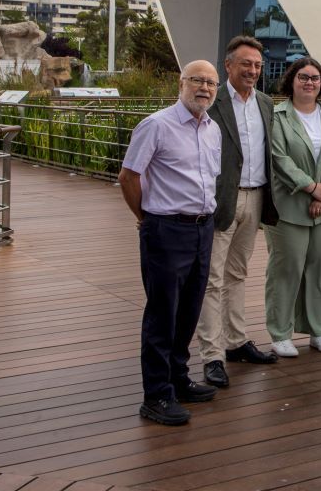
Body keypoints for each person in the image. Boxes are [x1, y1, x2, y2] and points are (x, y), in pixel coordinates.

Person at [118, 60, 223, 426]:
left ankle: (178, 378)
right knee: (163, 313)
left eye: (211, 83)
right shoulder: (156, 125)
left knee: (190, 308)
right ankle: (156, 395)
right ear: (181, 83)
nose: (205, 89)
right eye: (198, 81)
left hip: (202, 229)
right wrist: (146, 219)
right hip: (166, 230)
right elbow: (129, 176)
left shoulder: (213, 129)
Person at [195, 36, 280, 390]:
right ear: (228, 66)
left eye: (258, 65)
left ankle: (236, 340)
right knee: (211, 280)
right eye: (246, 64)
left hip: (257, 196)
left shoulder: (265, 103)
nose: (253, 70)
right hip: (220, 200)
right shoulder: (212, 103)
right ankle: (212, 355)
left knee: (238, 274)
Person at [265, 57, 321, 357]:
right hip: (288, 206)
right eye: (303, 77)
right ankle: (280, 332)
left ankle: (320, 330)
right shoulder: (277, 117)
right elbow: (279, 158)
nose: (309, 82)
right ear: (292, 80)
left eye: (315, 77)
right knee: (286, 268)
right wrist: (311, 188)